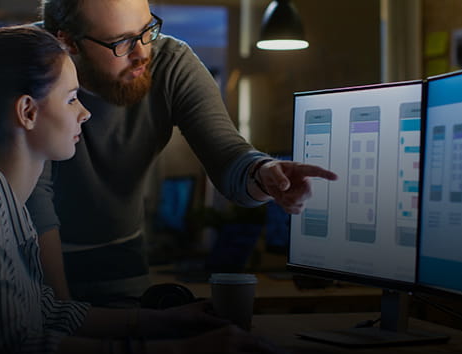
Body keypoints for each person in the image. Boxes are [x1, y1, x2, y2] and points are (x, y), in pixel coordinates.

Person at [0, 25, 287, 354]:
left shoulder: (7, 203)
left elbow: (46, 312)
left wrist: (167, 321)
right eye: (71, 99)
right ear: (28, 112)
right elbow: (12, 352)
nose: (85, 112)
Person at [28, 0, 338, 304]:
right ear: (68, 41)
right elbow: (36, 203)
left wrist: (263, 173)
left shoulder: (171, 61)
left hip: (121, 257)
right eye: (121, 42)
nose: (142, 54)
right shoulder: (25, 62)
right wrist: (63, 314)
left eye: (147, 29)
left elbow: (226, 152)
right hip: (31, 260)